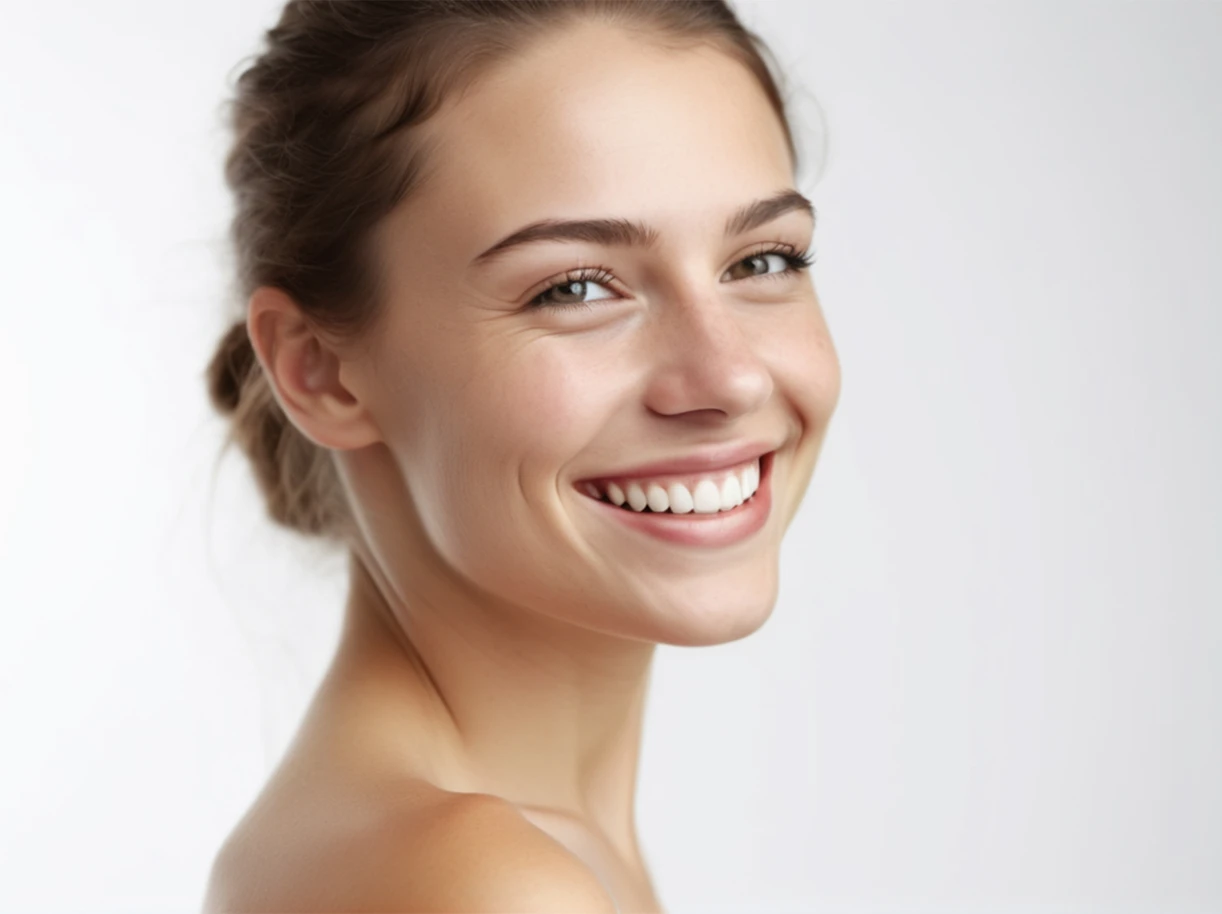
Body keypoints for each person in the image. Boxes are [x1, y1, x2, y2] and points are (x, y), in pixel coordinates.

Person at [201, 1, 841, 911]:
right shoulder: (482, 883)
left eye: (762, 262)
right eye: (575, 286)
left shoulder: (450, 847)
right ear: (321, 371)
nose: (730, 378)